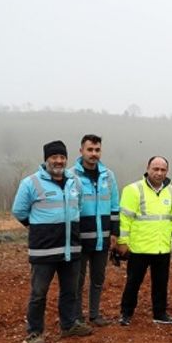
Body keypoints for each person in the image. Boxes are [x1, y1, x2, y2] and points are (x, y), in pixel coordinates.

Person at [12, 140, 93, 343]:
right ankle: (34, 332)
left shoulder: (75, 182)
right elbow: (19, 211)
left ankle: (68, 325)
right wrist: (39, 228)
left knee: (70, 291)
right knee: (39, 293)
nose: (58, 161)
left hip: (71, 248)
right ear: (46, 159)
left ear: (66, 159)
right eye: (54, 157)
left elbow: (79, 205)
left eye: (62, 157)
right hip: (43, 251)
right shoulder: (31, 183)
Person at [118, 156, 172, 326]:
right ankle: (126, 313)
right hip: (139, 247)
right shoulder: (133, 190)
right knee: (133, 282)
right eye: (155, 169)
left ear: (167, 171)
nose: (159, 173)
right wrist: (122, 241)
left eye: (162, 170)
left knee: (161, 283)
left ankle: (160, 313)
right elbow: (125, 218)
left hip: (161, 247)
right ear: (147, 169)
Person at [70, 134, 120, 327]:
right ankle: (76, 316)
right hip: (79, 238)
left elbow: (115, 205)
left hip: (102, 237)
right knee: (77, 280)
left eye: (97, 150)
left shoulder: (108, 175)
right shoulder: (71, 175)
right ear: (81, 150)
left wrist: (114, 232)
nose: (93, 154)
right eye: (90, 150)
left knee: (98, 278)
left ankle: (95, 314)